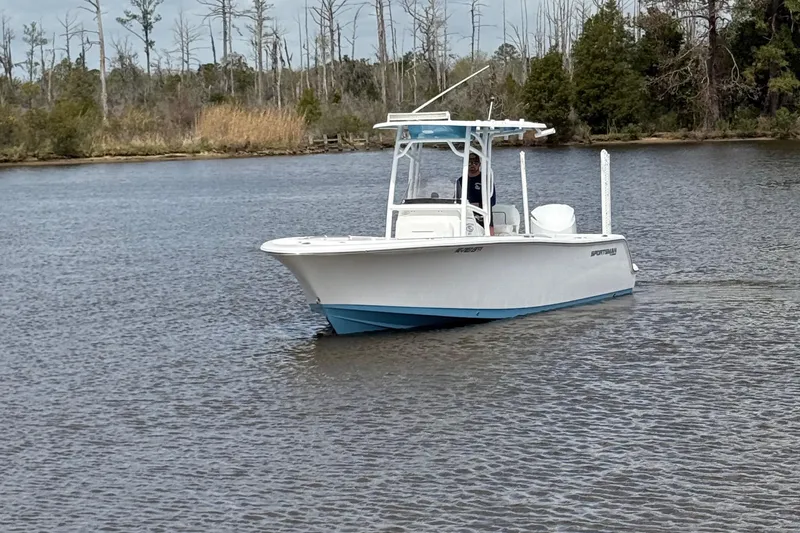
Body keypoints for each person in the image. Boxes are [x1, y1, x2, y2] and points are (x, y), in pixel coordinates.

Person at [455, 153, 496, 234]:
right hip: (465, 216)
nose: (472, 165)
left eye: (475, 163)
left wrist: (476, 205)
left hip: (483, 217)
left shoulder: (486, 180)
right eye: (470, 163)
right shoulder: (460, 181)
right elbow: (457, 200)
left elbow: (492, 201)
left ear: (479, 164)